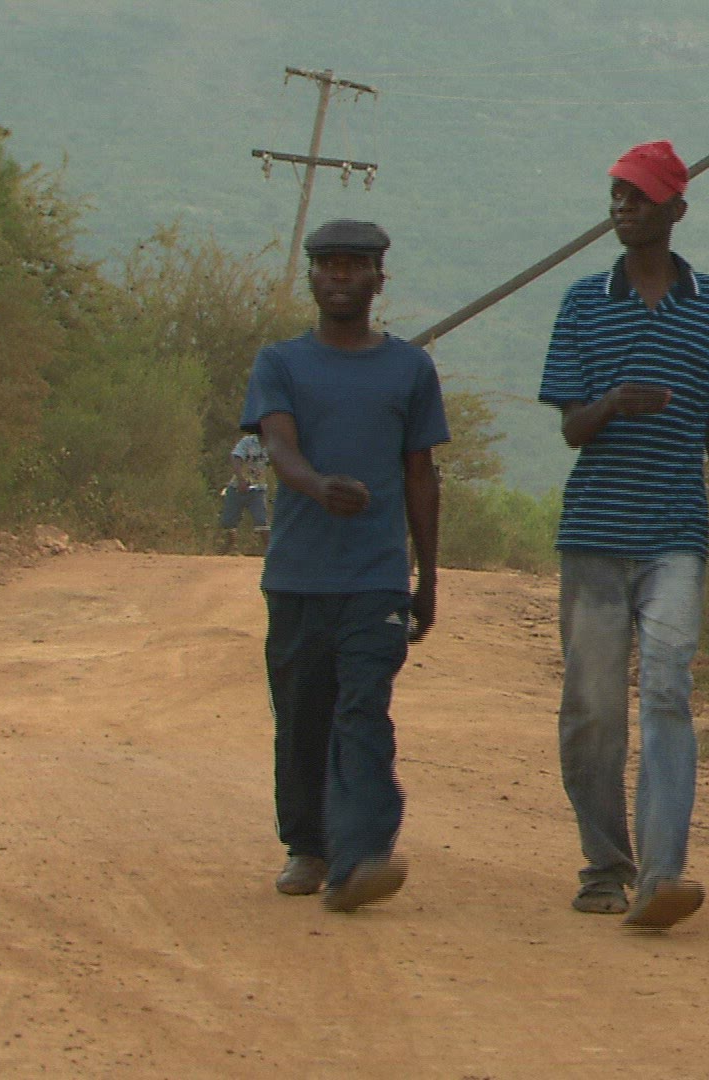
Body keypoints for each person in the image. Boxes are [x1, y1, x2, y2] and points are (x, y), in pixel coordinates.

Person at [538, 140, 709, 932]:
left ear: (676, 210)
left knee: (667, 691)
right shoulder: (583, 302)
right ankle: (605, 867)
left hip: (675, 535)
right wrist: (615, 404)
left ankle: (662, 874)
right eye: (618, 195)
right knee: (593, 708)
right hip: (594, 533)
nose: (623, 207)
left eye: (639, 196)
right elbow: (571, 428)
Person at [240, 219, 449, 913]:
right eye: (327, 264)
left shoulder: (410, 369)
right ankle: (308, 847)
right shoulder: (280, 362)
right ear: (312, 277)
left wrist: (427, 577)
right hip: (296, 576)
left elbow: (420, 474)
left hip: (377, 578)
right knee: (303, 716)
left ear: (378, 280)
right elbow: (278, 445)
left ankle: (361, 857)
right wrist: (316, 485)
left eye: (353, 266)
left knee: (363, 711)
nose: (338, 276)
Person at [219, 433, 272, 553]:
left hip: (258, 488)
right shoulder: (248, 441)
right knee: (228, 521)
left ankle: (271, 553)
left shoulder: (274, 444)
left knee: (261, 520)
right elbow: (236, 457)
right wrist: (241, 479)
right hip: (237, 487)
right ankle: (228, 549)